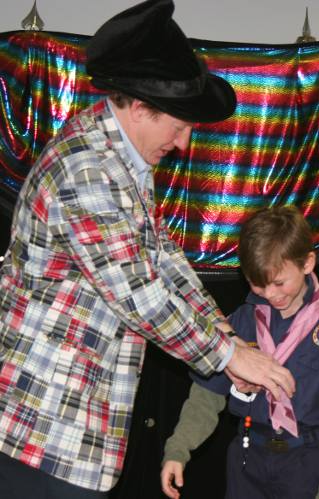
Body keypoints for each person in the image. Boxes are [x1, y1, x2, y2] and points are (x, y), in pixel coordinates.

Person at [0, 1, 295, 498]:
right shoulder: (89, 171)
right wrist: (230, 358)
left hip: (70, 424)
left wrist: (225, 331)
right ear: (139, 108)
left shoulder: (124, 162)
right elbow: (141, 298)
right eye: (177, 127)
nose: (181, 144)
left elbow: (161, 259)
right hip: (39, 425)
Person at [161, 205, 319, 499]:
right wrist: (178, 449)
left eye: (278, 282)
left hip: (307, 462)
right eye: (257, 284)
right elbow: (206, 395)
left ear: (307, 263)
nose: (271, 294)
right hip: (249, 459)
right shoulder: (241, 322)